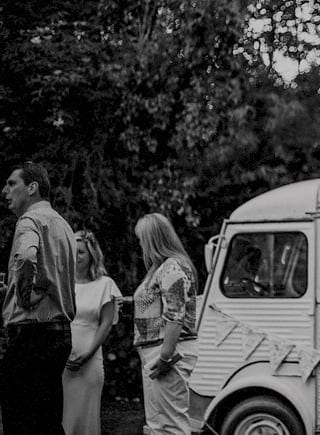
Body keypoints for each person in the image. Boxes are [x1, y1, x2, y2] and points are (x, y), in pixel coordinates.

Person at [0, 161, 77, 435]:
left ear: (32, 188)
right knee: (47, 423)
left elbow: (26, 256)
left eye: (12, 184)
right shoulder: (64, 225)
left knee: (20, 423)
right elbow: (52, 278)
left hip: (30, 337)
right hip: (59, 335)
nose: (5, 191)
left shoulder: (29, 220)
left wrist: (22, 295)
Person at [133, 213, 199, 434]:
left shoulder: (172, 267)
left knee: (171, 426)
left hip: (168, 351)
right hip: (156, 350)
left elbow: (175, 313)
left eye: (142, 239)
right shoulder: (160, 268)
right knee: (157, 426)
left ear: (153, 239)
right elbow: (160, 311)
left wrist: (164, 356)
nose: (140, 244)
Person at [63, 230, 122, 435]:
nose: (75, 256)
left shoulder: (105, 285)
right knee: (63, 419)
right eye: (72, 251)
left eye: (80, 252)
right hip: (62, 361)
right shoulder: (63, 284)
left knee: (86, 420)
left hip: (90, 362)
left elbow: (106, 324)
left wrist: (86, 354)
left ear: (91, 255)